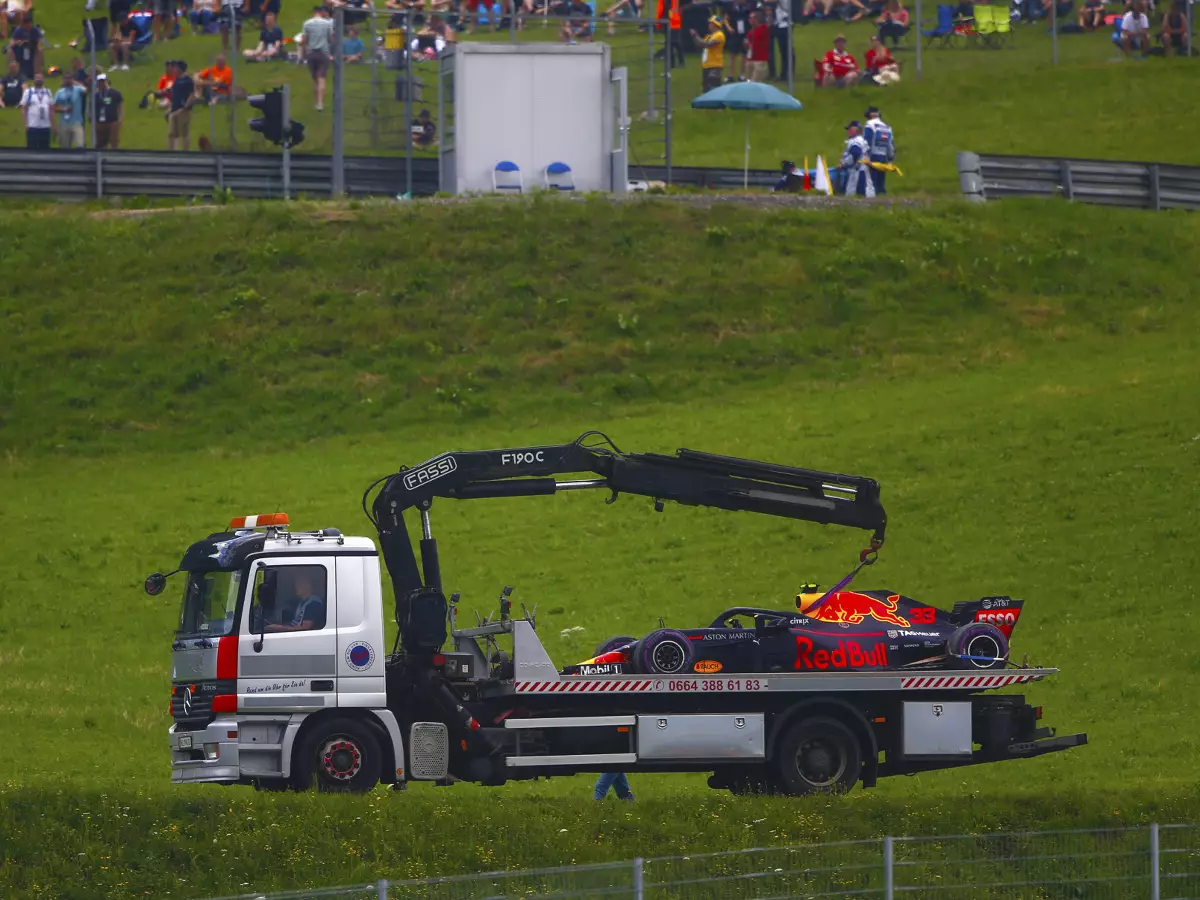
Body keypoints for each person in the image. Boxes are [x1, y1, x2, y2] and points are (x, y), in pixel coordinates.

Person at [300, 4, 334, 110]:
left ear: (313, 12)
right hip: (323, 53)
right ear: (321, 12)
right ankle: (320, 103)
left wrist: (303, 54)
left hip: (311, 53)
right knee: (322, 78)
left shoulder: (306, 23)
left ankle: (316, 103)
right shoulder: (327, 23)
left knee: (315, 79)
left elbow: (304, 40)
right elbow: (331, 39)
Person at [863, 104, 894, 194]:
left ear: (871, 115)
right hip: (883, 156)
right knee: (881, 181)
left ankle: (873, 201)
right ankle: (883, 198)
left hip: (872, 156)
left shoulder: (870, 125)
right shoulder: (887, 127)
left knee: (871, 182)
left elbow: (867, 141)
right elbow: (890, 145)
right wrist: (890, 159)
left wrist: (866, 155)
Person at [839, 119, 874, 198]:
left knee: (854, 194)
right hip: (863, 169)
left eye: (850, 129)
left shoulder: (855, 141)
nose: (848, 131)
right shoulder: (862, 140)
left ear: (856, 130)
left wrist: (844, 163)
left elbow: (855, 153)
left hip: (857, 171)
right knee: (867, 191)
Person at [52, 70, 86, 149]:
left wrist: (74, 82)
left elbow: (85, 90)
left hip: (77, 122)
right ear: (63, 79)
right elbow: (54, 107)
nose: (67, 80)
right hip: (64, 123)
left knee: (80, 145)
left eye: (69, 78)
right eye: (66, 78)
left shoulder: (78, 89)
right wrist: (64, 109)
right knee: (64, 147)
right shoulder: (60, 92)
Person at [19, 69, 51, 148]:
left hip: (45, 126)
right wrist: (26, 123)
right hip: (32, 126)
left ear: (43, 80)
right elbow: (23, 108)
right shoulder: (28, 92)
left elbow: (51, 108)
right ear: (34, 80)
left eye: (40, 78)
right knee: (32, 148)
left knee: (45, 148)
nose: (39, 80)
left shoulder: (47, 92)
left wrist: (53, 124)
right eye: (37, 78)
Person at [166, 58, 194, 150]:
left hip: (183, 110)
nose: (173, 69)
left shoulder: (187, 80)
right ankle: (172, 150)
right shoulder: (176, 80)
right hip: (174, 109)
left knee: (184, 133)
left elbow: (192, 95)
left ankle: (185, 151)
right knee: (172, 133)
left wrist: (185, 106)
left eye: (174, 67)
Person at [692, 15, 725, 90]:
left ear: (715, 24)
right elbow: (700, 44)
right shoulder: (710, 36)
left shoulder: (719, 35)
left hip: (714, 66)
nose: (709, 25)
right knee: (706, 88)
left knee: (714, 87)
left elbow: (707, 44)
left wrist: (695, 35)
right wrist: (694, 37)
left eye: (710, 23)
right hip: (707, 65)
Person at [93, 71, 123, 148]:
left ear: (107, 81)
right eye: (100, 82)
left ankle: (113, 157)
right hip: (100, 122)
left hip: (112, 121)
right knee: (100, 141)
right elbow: (92, 108)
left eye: (103, 81)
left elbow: (120, 107)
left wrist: (119, 120)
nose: (102, 83)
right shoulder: (96, 95)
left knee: (114, 141)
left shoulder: (115, 93)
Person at [723, 0, 749, 82]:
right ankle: (730, 75)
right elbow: (725, 19)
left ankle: (742, 74)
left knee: (744, 55)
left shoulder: (748, 8)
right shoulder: (731, 7)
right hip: (734, 33)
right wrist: (729, 28)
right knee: (732, 55)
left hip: (745, 34)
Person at [744, 9, 769, 81]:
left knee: (755, 82)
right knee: (748, 82)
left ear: (757, 19)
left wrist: (769, 14)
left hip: (760, 60)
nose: (750, 20)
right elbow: (748, 45)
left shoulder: (764, 28)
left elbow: (769, 24)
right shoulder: (750, 32)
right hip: (750, 59)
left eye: (752, 18)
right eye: (749, 18)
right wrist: (746, 44)